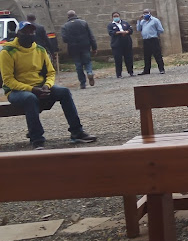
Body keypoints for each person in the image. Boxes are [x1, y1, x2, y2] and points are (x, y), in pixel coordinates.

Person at [0, 21, 96, 150]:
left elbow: (50, 72)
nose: (29, 34)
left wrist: (47, 86)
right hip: (16, 91)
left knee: (64, 92)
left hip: (39, 86)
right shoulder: (7, 51)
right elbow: (8, 80)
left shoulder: (40, 50)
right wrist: (32, 89)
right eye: (26, 31)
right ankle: (37, 139)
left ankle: (77, 132)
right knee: (30, 98)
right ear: (18, 34)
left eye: (31, 31)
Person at [60, 10, 97, 90]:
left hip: (73, 48)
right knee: (87, 61)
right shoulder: (83, 23)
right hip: (85, 46)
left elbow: (65, 39)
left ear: (68, 17)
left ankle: (82, 83)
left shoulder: (65, 26)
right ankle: (89, 72)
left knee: (78, 65)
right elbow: (91, 36)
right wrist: (94, 47)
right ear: (75, 15)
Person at [136, 8, 165, 75]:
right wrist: (139, 21)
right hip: (146, 40)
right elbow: (138, 29)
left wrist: (155, 34)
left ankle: (161, 69)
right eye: (144, 13)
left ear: (150, 13)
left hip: (153, 39)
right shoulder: (142, 21)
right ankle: (146, 70)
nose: (145, 14)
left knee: (157, 55)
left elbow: (161, 30)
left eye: (146, 12)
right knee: (146, 56)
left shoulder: (155, 20)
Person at [107, 12, 135, 78]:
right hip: (117, 45)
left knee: (129, 58)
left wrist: (126, 32)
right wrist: (120, 32)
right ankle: (119, 74)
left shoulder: (125, 23)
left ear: (119, 16)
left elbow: (130, 30)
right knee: (118, 60)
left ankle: (130, 72)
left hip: (127, 43)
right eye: (114, 16)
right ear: (112, 17)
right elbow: (111, 32)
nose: (116, 17)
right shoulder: (110, 25)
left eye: (117, 16)